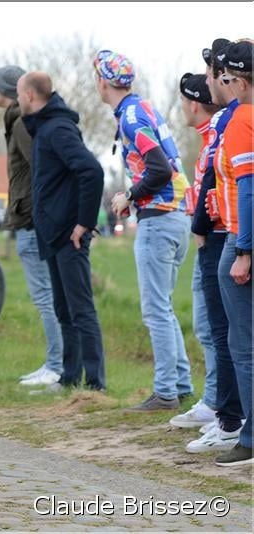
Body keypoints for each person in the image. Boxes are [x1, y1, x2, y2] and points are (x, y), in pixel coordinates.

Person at [99, 50, 194, 411]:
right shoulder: (144, 108)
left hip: (158, 219)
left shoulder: (131, 119)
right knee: (164, 307)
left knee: (155, 311)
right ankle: (181, 384)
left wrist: (129, 197)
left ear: (103, 82)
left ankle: (166, 392)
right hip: (176, 217)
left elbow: (158, 170)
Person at [17, 71, 106, 392]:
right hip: (52, 234)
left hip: (71, 235)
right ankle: (70, 378)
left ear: (29, 96)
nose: (17, 100)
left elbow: (92, 171)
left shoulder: (57, 129)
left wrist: (84, 222)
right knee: (63, 309)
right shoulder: (43, 128)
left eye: (18, 94)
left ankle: (95, 385)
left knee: (81, 310)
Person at [182, 40, 245, 455]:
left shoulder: (233, 121)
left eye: (213, 74)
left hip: (229, 236)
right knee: (221, 334)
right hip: (223, 235)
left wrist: (207, 225)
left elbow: (232, 184)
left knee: (229, 336)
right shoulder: (224, 122)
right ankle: (225, 412)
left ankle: (231, 418)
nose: (210, 81)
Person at [0, 64, 63, 386]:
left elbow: (40, 170)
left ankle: (56, 365)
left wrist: (35, 214)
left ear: (6, 91)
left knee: (45, 297)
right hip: (29, 219)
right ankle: (54, 362)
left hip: (32, 222)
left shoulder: (20, 123)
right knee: (45, 296)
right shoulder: (16, 121)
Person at [170, 72, 221, 431]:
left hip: (215, 241)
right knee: (208, 328)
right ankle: (216, 399)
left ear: (192, 104)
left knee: (214, 328)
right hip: (208, 239)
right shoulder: (207, 139)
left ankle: (221, 405)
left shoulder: (214, 138)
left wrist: (201, 229)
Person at [212, 39, 253, 467]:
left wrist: (244, 249)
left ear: (238, 81)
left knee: (243, 346)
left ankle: (253, 438)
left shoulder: (242, 118)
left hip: (242, 240)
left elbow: (249, 186)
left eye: (225, 78)